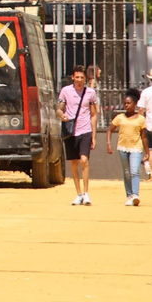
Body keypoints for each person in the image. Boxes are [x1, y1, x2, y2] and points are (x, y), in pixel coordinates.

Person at [59, 67, 101, 205]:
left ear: (85, 79)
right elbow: (59, 108)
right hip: (71, 131)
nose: (79, 80)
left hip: (85, 130)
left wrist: (94, 136)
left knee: (84, 160)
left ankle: (86, 192)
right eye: (77, 77)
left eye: (81, 78)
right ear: (72, 77)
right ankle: (78, 194)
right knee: (74, 162)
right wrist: (61, 115)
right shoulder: (66, 91)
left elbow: (94, 114)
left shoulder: (90, 93)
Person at [106, 88, 150, 206]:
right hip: (123, 148)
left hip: (136, 148)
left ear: (135, 104)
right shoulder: (120, 117)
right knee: (126, 172)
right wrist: (109, 144)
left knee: (134, 171)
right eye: (125, 103)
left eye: (128, 103)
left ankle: (135, 194)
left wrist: (147, 152)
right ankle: (129, 195)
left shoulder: (141, 119)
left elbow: (144, 137)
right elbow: (109, 130)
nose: (126, 105)